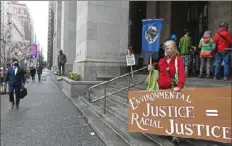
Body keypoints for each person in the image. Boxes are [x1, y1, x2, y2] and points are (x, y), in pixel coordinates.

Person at [147, 40, 185, 143]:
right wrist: (151, 69)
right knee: (164, 111)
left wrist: (180, 86)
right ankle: (165, 129)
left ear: (174, 48)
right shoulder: (161, 61)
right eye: (167, 48)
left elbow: (181, 73)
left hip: (173, 89)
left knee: (174, 112)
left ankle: (175, 134)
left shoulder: (178, 59)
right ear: (164, 50)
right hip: (161, 89)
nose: (169, 50)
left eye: (171, 47)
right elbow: (158, 72)